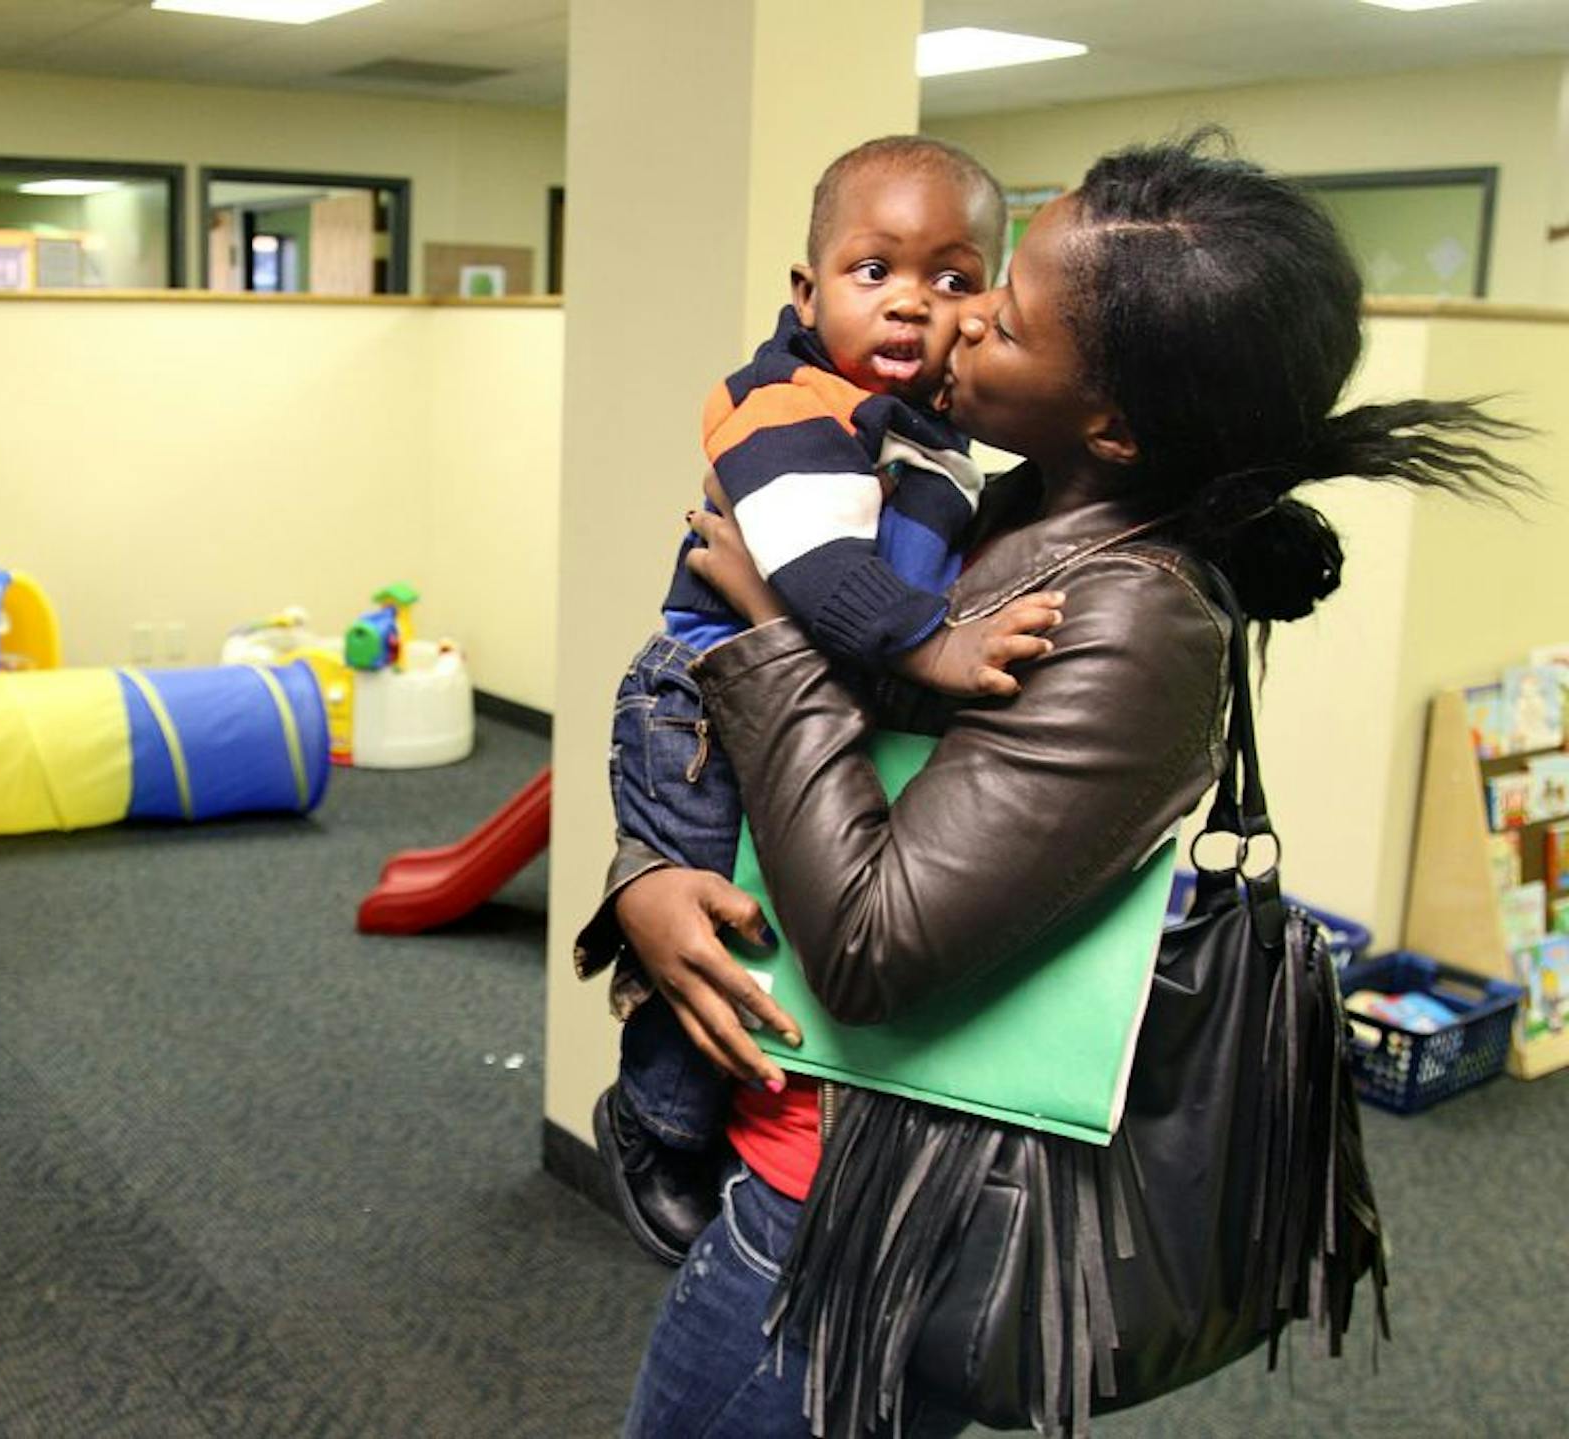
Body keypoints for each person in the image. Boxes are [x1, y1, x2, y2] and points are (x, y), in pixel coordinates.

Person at [577, 133, 1533, 1437]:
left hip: (848, 1225)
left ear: (1118, 424)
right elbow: (824, 761)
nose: (955, 324)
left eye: (1003, 317)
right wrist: (647, 876)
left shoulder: (1135, 623)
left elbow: (870, 940)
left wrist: (769, 637)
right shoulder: (992, 499)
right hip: (798, 1143)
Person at [596, 136, 1059, 1264]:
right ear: (808, 293)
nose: (912, 304)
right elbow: (809, 571)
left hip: (792, 697)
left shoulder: (935, 434)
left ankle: (699, 1113)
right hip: (699, 704)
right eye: (873, 272)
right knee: (710, 924)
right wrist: (936, 650)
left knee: (757, 916)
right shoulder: (785, 403)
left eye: (953, 280)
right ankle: (653, 1116)